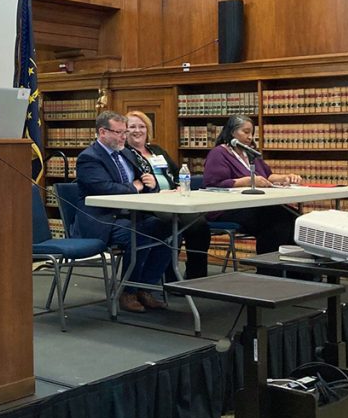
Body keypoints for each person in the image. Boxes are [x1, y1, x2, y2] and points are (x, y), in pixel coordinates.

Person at [74, 111, 175, 313]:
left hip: (133, 215)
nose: (124, 137)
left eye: (124, 132)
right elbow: (103, 188)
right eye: (119, 132)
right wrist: (135, 187)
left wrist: (151, 183)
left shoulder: (126, 154)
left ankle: (146, 287)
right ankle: (128, 291)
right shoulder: (89, 158)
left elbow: (143, 182)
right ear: (102, 132)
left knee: (171, 229)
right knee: (139, 234)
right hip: (104, 220)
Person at [123, 110, 211, 280]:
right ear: (124, 131)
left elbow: (178, 172)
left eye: (142, 126)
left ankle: (196, 276)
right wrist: (157, 190)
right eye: (132, 126)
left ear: (148, 130)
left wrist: (179, 186)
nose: (137, 130)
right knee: (174, 225)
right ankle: (171, 277)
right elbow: (133, 181)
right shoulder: (125, 154)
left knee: (199, 224)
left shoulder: (156, 150)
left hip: (174, 199)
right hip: (150, 204)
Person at [203, 114, 303, 259]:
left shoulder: (249, 153)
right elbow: (213, 184)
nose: (250, 137)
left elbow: (267, 176)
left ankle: (295, 270)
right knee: (275, 221)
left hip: (253, 205)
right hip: (227, 208)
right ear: (232, 132)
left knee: (294, 217)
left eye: (252, 133)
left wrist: (284, 177)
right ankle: (268, 269)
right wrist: (247, 181)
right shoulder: (219, 153)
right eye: (246, 132)